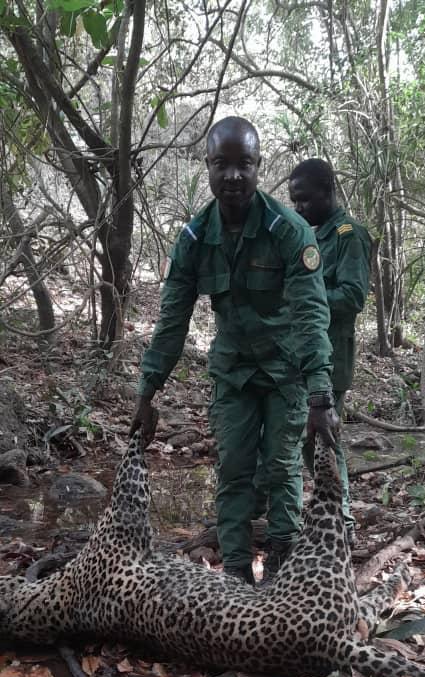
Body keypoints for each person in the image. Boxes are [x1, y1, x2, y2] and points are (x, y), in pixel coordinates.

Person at [131, 117, 337, 584]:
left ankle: (283, 572)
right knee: (235, 472)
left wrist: (321, 396)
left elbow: (310, 315)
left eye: (244, 164)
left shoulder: (290, 231)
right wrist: (148, 393)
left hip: (286, 370)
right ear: (207, 167)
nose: (233, 176)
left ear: (258, 166)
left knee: (283, 469)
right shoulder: (194, 238)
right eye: (221, 165)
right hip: (234, 372)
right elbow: (171, 320)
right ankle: (237, 579)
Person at [256, 158, 371, 549]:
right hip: (302, 357)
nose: (299, 208)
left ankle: (343, 523)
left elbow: (353, 296)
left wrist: (308, 299)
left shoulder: (348, 235)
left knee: (326, 439)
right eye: (293, 201)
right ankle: (323, 517)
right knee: (304, 441)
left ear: (328, 191)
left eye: (305, 199)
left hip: (332, 357)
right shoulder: (312, 236)